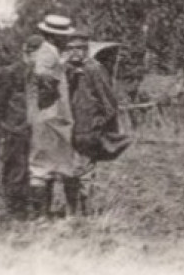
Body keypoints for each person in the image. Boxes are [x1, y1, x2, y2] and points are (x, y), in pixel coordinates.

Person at [62, 33, 131, 215]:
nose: (74, 52)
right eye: (70, 48)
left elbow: (110, 103)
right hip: (67, 129)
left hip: (87, 129)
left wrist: (98, 123)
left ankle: (85, 214)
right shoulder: (66, 70)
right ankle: (72, 213)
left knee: (83, 172)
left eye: (79, 48)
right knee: (68, 171)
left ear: (86, 50)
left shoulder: (94, 70)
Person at [26, 14, 88, 216]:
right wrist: (55, 79)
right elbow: (43, 75)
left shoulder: (49, 51)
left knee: (46, 166)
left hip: (48, 117)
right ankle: (62, 215)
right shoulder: (48, 52)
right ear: (55, 36)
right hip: (52, 117)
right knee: (57, 166)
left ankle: (44, 216)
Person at [0, 40, 32, 218]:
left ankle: (23, 205)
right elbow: (0, 104)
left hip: (30, 126)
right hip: (14, 127)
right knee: (15, 166)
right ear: (24, 52)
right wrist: (2, 127)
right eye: (30, 51)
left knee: (27, 167)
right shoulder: (11, 72)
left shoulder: (38, 71)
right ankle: (14, 208)